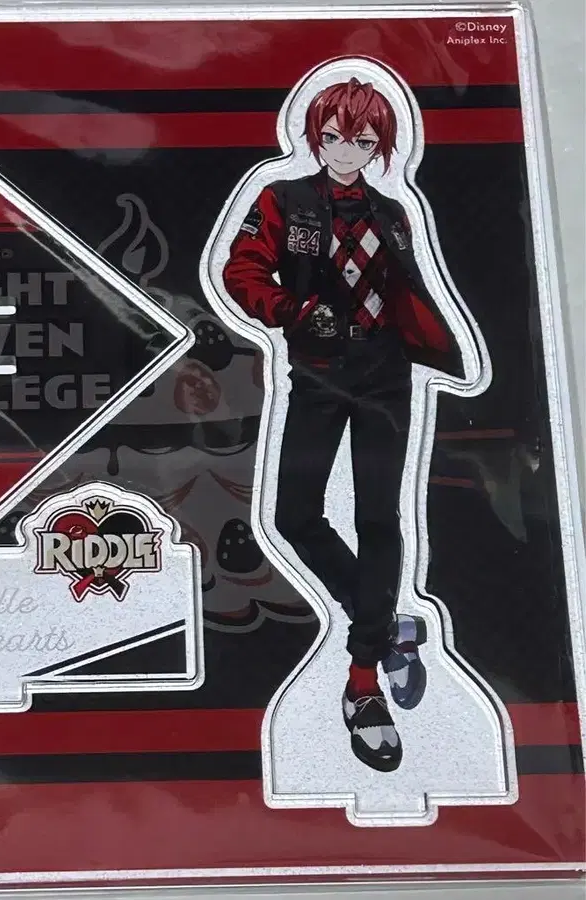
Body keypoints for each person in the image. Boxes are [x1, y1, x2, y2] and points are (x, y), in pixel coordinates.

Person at [223, 77, 463, 772]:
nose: (345, 150)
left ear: (379, 144)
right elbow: (243, 271)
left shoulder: (392, 211)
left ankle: (363, 681)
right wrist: (292, 312)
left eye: (361, 139)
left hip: (386, 372)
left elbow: (407, 289)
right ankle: (386, 625)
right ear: (316, 137)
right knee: (294, 514)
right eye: (333, 137)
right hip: (320, 371)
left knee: (379, 518)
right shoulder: (284, 199)